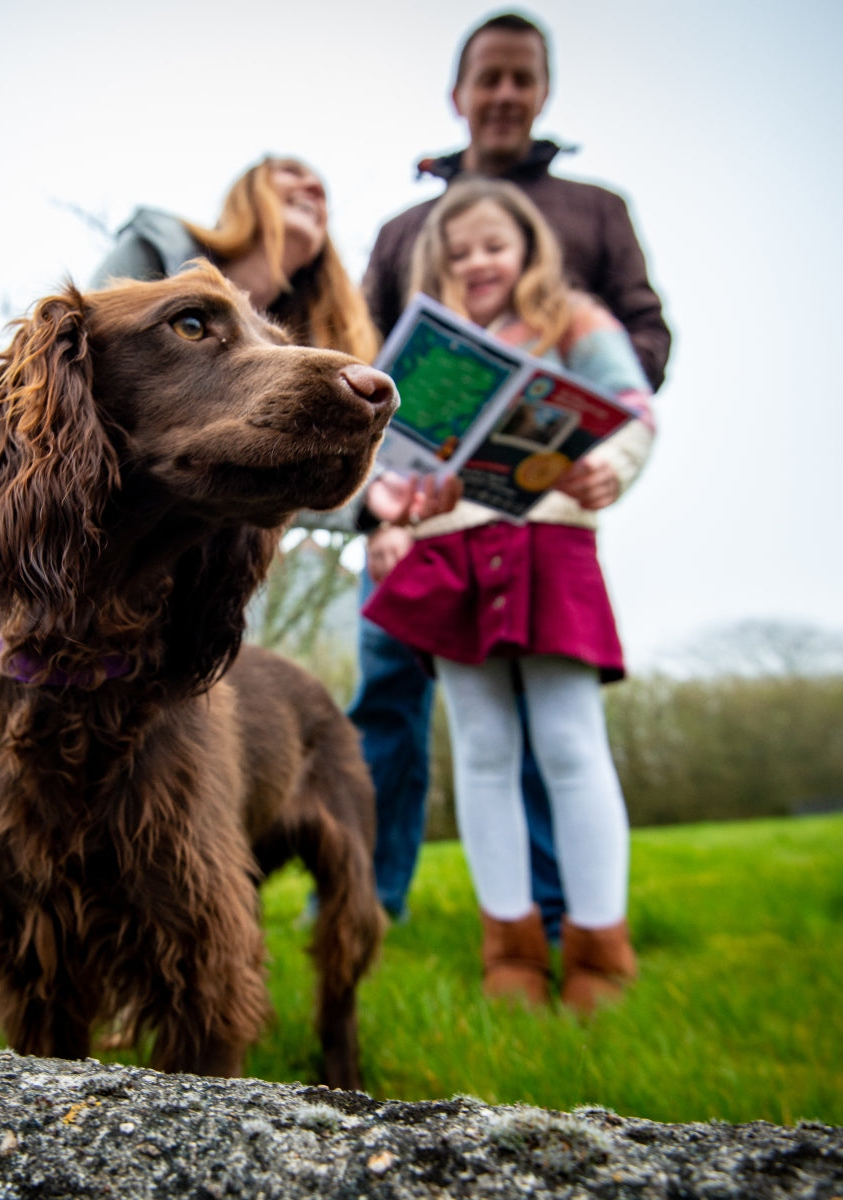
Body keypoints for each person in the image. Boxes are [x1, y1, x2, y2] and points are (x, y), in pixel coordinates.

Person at [0, 155, 378, 1037]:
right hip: (6, 520)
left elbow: (259, 457)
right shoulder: (165, 248)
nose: (313, 197)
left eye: (327, 191)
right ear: (247, 199)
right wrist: (199, 316)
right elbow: (62, 391)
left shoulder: (297, 333)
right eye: (291, 182)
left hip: (149, 610)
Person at [354, 10, 671, 929]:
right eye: (485, 78)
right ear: (459, 94)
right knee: (457, 733)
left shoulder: (594, 217)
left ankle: (584, 924)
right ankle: (443, 921)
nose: (502, 94)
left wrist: (590, 442)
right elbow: (377, 374)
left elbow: (642, 347)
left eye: (519, 77)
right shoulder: (401, 231)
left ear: (540, 90)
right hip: (440, 533)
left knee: (566, 739)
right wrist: (389, 513)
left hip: (552, 522)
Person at [363, 177, 655, 1012]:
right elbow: (392, 465)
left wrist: (613, 465)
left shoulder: (575, 319)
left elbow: (633, 408)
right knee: (483, 751)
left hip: (550, 543)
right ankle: (511, 951)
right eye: (457, 254)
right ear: (436, 265)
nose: (478, 261)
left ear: (526, 246)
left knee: (569, 742)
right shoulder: (422, 353)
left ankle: (602, 953)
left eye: (493, 245)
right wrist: (389, 515)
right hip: (447, 553)